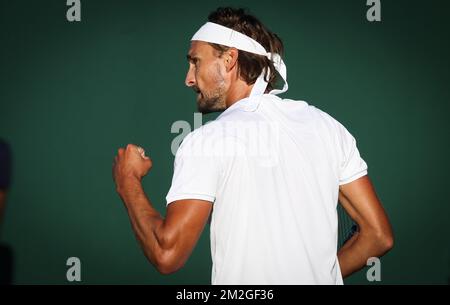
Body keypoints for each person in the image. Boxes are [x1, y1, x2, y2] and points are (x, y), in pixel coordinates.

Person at [113, 7, 394, 284]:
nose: (188, 78)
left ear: (229, 60)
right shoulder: (329, 128)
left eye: (195, 61)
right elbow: (377, 236)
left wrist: (128, 181)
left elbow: (167, 253)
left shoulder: (208, 140)